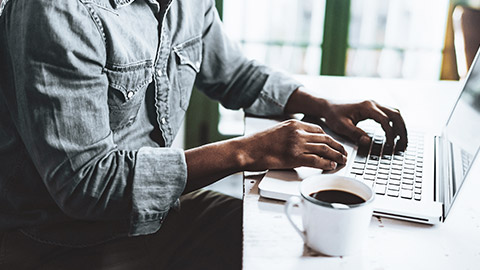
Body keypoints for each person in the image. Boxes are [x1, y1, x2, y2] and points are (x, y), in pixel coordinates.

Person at [0, 0, 407, 269]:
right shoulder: (55, 12)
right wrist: (248, 151)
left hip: (155, 217)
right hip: (60, 242)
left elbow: (234, 73)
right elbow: (87, 184)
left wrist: (323, 107)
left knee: (295, 239)